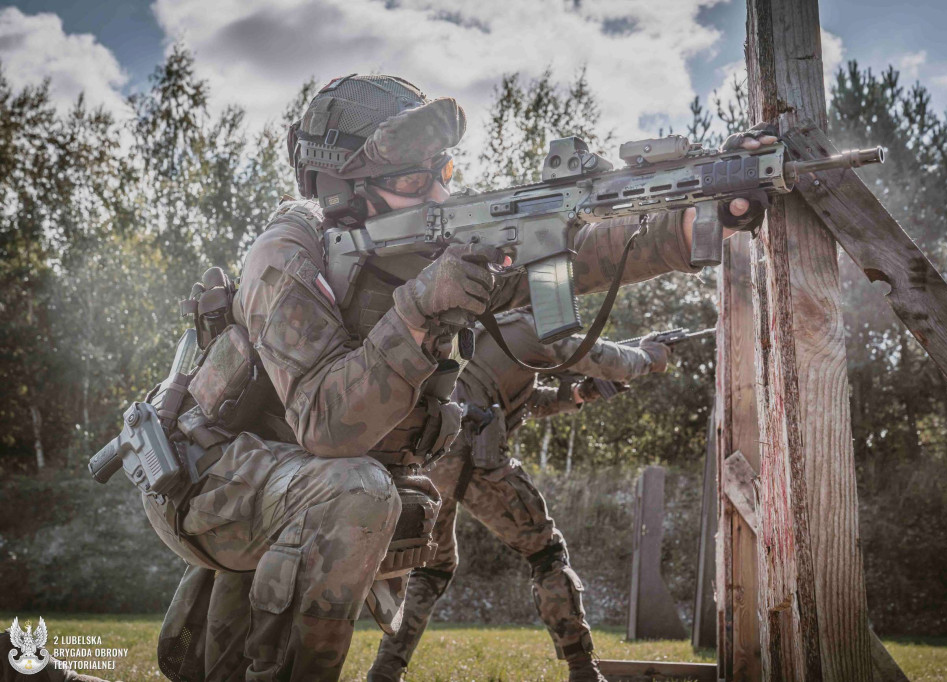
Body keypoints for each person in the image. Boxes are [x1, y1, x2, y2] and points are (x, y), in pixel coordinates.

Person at [140, 73, 771, 682]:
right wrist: (418, 309)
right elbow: (327, 425)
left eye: (443, 172)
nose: (440, 196)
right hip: (207, 483)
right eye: (415, 179)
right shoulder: (284, 260)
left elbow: (584, 256)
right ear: (340, 188)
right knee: (359, 487)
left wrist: (701, 218)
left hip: (295, 483)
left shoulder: (423, 241)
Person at [366, 309, 673, 682]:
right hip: (477, 456)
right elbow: (599, 356)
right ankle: (582, 670)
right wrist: (648, 358)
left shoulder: (482, 330)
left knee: (431, 568)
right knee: (547, 553)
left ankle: (384, 673)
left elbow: (519, 400)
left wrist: (577, 393)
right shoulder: (530, 324)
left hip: (431, 458)